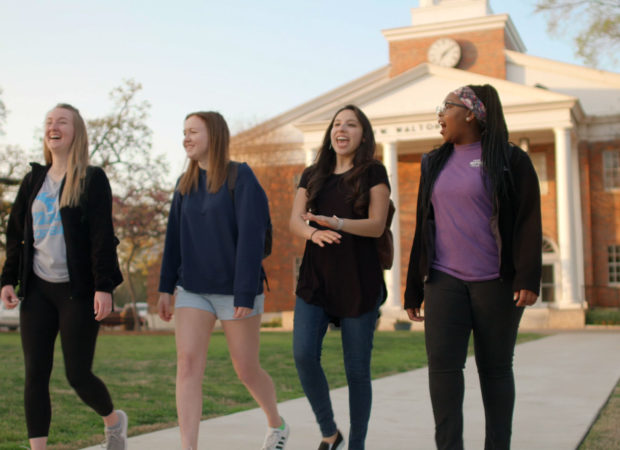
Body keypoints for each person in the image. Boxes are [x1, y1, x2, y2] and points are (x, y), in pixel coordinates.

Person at [404, 84, 542, 449]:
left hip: (496, 283)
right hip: (443, 279)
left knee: (495, 371)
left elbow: (528, 221)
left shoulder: (511, 160)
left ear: (470, 113)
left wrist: (527, 276)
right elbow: (424, 224)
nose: (439, 115)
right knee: (444, 372)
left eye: (445, 107)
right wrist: (413, 287)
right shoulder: (433, 162)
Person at [157, 111, 289, 450]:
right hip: (193, 289)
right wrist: (165, 287)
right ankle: (189, 446)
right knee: (187, 364)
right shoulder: (184, 184)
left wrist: (245, 291)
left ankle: (276, 422)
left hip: (235, 290)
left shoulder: (240, 177)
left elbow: (251, 237)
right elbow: (174, 238)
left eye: (193, 132)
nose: (186, 138)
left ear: (213, 136)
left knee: (246, 368)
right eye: (183, 132)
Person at [0, 104, 126, 450]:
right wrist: (8, 279)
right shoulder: (33, 180)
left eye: (62, 122)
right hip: (38, 289)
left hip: (78, 291)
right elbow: (16, 234)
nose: (53, 127)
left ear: (76, 132)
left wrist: (104, 286)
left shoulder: (91, 178)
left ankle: (113, 421)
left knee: (78, 374)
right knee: (35, 375)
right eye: (48, 122)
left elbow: (102, 235)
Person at [289, 104, 391, 450]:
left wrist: (338, 223)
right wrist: (313, 234)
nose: (341, 129)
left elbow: (377, 225)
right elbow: (294, 221)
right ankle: (330, 432)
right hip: (315, 280)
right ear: (329, 133)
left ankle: (357, 445)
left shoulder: (373, 172)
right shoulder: (312, 174)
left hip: (359, 282)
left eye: (351, 124)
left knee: (357, 371)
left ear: (363, 134)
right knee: (303, 355)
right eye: (336, 124)